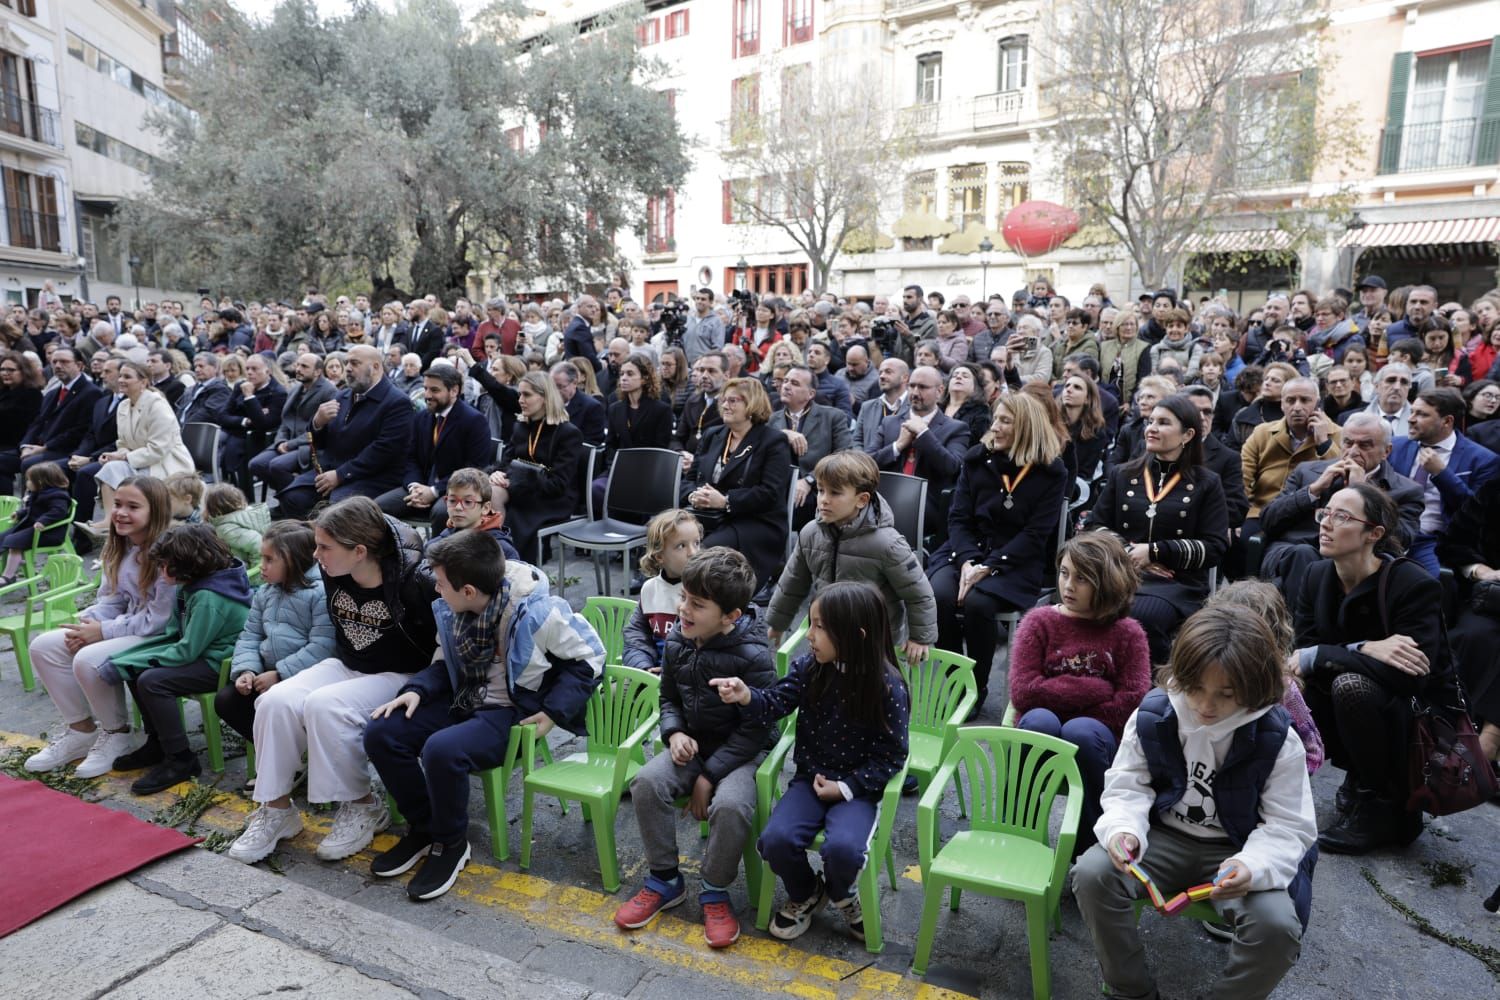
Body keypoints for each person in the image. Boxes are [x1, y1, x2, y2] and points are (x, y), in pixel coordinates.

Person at [1073, 606, 1316, 1000]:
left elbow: (1289, 826)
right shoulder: (1154, 713)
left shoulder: (1278, 738)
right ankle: (1129, 988)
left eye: (1226, 694)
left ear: (1254, 686)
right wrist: (1124, 829)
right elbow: (1127, 784)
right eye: (1196, 687)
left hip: (1237, 850)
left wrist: (1250, 866)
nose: (1206, 705)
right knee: (1091, 872)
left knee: (1278, 927)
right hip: (1163, 838)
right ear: (1181, 674)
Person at [365, 529, 604, 900]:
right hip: (463, 698)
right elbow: (444, 661)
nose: (436, 589)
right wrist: (415, 691)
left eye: (441, 583)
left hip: (508, 712)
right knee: (382, 732)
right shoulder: (452, 607)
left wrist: (554, 712)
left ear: (469, 591)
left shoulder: (537, 612)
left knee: (442, 750)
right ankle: (425, 827)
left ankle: (451, 843)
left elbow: (590, 657)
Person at [229, 498, 437, 863]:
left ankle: (363, 805)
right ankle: (276, 811)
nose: (316, 554)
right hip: (349, 663)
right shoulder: (333, 569)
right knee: (276, 700)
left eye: (324, 546)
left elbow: (442, 644)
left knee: (324, 705)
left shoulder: (414, 581)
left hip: (403, 674)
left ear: (359, 551)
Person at [709, 581, 910, 943]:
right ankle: (806, 892)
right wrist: (745, 695)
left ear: (856, 635)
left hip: (856, 791)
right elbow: (775, 703)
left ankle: (842, 894)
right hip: (810, 779)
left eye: (819, 626)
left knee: (844, 850)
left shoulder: (887, 687)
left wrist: (846, 787)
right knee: (775, 840)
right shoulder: (811, 668)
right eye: (810, 623)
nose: (809, 635)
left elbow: (893, 756)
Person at [614, 547, 774, 946]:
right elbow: (668, 697)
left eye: (697, 604)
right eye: (684, 597)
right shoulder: (676, 640)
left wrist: (708, 775)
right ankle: (665, 879)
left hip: (741, 754)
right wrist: (674, 734)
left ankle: (716, 890)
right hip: (693, 746)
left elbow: (758, 730)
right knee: (647, 782)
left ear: (730, 617)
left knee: (732, 806)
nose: (683, 609)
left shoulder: (754, 655)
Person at [1292, 483, 1460, 854]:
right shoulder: (1316, 575)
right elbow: (1302, 652)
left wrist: (1327, 655)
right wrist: (1363, 647)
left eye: (1342, 516)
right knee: (1294, 685)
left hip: (1416, 716)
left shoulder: (1412, 583)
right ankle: (1357, 780)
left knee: (1352, 685)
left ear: (1374, 534)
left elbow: (1411, 675)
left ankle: (1387, 806)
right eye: (1325, 512)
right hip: (1353, 704)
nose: (1326, 523)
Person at [23, 476, 176, 778]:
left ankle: (117, 733)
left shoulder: (166, 555)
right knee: (44, 645)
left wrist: (103, 631)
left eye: (133, 506)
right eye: (117, 504)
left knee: (89, 659)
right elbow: (112, 600)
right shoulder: (120, 547)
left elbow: (158, 621)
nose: (120, 512)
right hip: (128, 628)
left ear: (155, 511)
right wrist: (87, 622)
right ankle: (81, 731)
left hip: (162, 636)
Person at [1009, 533, 1151, 855]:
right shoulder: (1039, 621)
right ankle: (1019, 835)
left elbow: (1131, 702)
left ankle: (1087, 849)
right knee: (1040, 722)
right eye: (1064, 573)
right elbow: (1023, 692)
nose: (1068, 585)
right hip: (1042, 728)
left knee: (1081, 731)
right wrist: (1095, 688)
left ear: (1106, 583)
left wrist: (1063, 701)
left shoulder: (1128, 633)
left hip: (1097, 741)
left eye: (1082, 578)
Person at [928, 392, 1068, 710]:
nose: (996, 427)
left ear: (1027, 428)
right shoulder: (978, 459)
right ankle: (955, 682)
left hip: (1014, 560)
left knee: (979, 603)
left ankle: (975, 691)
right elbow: (958, 518)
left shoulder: (1051, 471)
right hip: (964, 551)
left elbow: (1035, 534)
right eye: (996, 419)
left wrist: (988, 566)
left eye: (1005, 421)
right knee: (940, 595)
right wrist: (967, 562)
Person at [102, 524, 252, 794]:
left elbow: (187, 651)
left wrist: (140, 661)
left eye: (164, 565)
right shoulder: (191, 586)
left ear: (187, 564)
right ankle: (158, 742)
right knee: (136, 671)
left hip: (220, 663)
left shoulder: (208, 597)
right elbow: (174, 634)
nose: (160, 571)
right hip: (201, 653)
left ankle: (181, 759)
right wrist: (128, 661)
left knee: (152, 681)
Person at [1083, 394, 1229, 663]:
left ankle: (1146, 693)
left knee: (1142, 615)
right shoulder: (1123, 474)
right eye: (1151, 421)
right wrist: (1130, 553)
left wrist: (1155, 552)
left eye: (1163, 423)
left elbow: (1215, 546)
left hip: (1177, 583)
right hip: (1120, 573)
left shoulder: (1207, 483)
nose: (1151, 428)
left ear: (1187, 435)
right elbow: (1094, 525)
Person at [768, 450, 937, 663]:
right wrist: (777, 623)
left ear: (862, 499)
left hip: (874, 641)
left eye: (835, 493)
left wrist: (919, 639)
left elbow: (919, 593)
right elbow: (792, 582)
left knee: (867, 692)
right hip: (826, 634)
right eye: (820, 491)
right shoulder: (811, 533)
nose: (823, 500)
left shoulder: (887, 543)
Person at [1258, 412, 1422, 599]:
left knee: (1333, 570)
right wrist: (1312, 491)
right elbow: (1268, 520)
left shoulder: (1407, 490)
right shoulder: (1307, 472)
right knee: (1303, 555)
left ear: (1386, 451)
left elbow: (1400, 541)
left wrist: (1363, 492)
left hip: (1357, 564)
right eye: (1348, 443)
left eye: (1365, 445)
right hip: (1294, 553)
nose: (1353, 451)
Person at [214, 521, 335, 767]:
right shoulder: (266, 593)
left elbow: (323, 646)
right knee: (227, 701)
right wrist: (248, 670)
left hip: (304, 679)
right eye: (262, 558)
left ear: (293, 561)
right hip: (265, 677)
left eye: (270, 560)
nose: (262, 566)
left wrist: (280, 674)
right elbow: (250, 635)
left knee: (275, 703)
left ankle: (282, 764)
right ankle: (283, 761)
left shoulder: (320, 593)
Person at [275, 345, 415, 522]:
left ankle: (332, 546)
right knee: (293, 497)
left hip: (374, 476)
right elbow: (323, 442)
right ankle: (308, 545)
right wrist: (317, 423)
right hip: (334, 469)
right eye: (347, 363)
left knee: (337, 510)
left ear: (376, 367)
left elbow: (384, 450)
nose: (347, 368)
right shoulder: (343, 396)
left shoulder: (397, 402)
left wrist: (341, 475)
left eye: (355, 363)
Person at [684, 377, 793, 591]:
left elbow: (770, 493)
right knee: (666, 533)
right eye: (724, 400)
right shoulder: (712, 434)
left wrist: (725, 501)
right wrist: (692, 496)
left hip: (754, 522)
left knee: (704, 551)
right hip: (709, 516)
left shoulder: (772, 441)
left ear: (752, 405)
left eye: (733, 401)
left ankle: (704, 605)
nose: (725, 405)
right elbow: (689, 480)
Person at [1389, 387, 1500, 575]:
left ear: (1447, 421)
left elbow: (1477, 515)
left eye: (1422, 414)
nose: (1411, 418)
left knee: (1428, 585)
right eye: (1412, 411)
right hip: (1390, 534)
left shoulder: (1482, 459)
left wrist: (1442, 474)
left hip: (1436, 542)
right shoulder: (1396, 446)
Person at [376, 363, 491, 527]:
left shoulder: (474, 421)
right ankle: (398, 551)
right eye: (426, 388)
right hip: (419, 486)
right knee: (377, 508)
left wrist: (434, 491)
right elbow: (410, 458)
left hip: (457, 490)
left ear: (454, 391)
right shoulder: (422, 417)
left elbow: (475, 468)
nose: (427, 395)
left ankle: (436, 553)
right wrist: (414, 486)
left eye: (435, 390)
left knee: (442, 513)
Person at [489, 371, 584, 562]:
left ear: (544, 397)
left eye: (527, 395)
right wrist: (498, 474)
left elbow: (558, 485)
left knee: (504, 506)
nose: (521, 400)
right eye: (520, 394)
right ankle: (493, 557)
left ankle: (504, 561)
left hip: (553, 498)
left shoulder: (568, 433)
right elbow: (506, 462)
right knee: (486, 495)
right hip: (522, 489)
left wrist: (514, 479)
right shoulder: (521, 426)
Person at [1437, 474, 1500, 764]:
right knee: (1472, 636)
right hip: (1491, 600)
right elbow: (1453, 542)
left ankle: (1490, 738)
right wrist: (1482, 572)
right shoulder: (1494, 488)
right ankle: (1452, 733)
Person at [91, 361, 194, 531]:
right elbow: (122, 443)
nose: (121, 380)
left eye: (127, 377)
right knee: (110, 468)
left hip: (166, 464)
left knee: (116, 471)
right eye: (121, 376)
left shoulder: (157, 405)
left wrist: (123, 456)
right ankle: (110, 521)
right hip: (140, 462)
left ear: (144, 382)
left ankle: (123, 525)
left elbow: (158, 449)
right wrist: (115, 455)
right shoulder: (123, 406)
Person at [870, 365, 970, 538]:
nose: (915, 392)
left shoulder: (956, 428)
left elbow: (953, 467)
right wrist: (898, 445)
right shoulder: (890, 423)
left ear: (939, 391)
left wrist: (924, 434)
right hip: (884, 503)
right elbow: (866, 462)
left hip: (927, 510)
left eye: (923, 387)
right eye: (912, 386)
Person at [1240, 377, 1340, 530]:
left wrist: (1324, 442)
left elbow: (1339, 479)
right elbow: (1243, 477)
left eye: (1305, 400)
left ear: (1317, 403)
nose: (1297, 407)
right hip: (1262, 512)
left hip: (1311, 516)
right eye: (1290, 400)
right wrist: (1241, 515)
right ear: (1282, 404)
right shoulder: (1262, 432)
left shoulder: (1339, 434)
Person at [0, 347, 100, 495]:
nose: (58, 366)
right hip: (41, 448)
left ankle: (35, 510)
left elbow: (80, 430)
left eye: (64, 361)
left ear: (79, 365)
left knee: (30, 463)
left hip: (64, 450)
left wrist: (44, 448)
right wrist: (25, 446)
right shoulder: (53, 393)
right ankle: (7, 511)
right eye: (54, 362)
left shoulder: (90, 393)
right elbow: (37, 423)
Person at [770, 366, 851, 531]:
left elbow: (845, 454)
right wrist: (783, 434)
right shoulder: (772, 420)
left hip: (817, 491)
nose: (786, 386)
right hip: (776, 489)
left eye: (794, 383)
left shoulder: (832, 417)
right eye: (785, 381)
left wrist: (809, 480)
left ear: (811, 394)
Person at [622, 509, 703, 673]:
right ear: (659, 556)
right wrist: (643, 667)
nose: (693, 553)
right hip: (653, 674)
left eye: (697, 543)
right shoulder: (650, 589)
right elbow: (636, 636)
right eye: (681, 546)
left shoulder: (705, 589)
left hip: (691, 678)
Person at [249, 353, 337, 497]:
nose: (298, 369)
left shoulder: (329, 391)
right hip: (288, 441)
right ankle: (285, 497)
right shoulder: (295, 389)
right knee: (256, 464)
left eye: (304, 366)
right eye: (297, 365)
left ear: (318, 371)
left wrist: (291, 444)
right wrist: (281, 441)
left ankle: (296, 501)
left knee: (277, 466)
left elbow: (324, 429)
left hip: (310, 445)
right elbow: (285, 421)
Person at [596, 352, 673, 513]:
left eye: (630, 374)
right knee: (596, 489)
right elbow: (611, 444)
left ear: (644, 379)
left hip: (648, 472)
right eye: (622, 374)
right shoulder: (615, 408)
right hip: (619, 468)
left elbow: (660, 449)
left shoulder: (661, 410)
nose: (623, 378)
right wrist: (615, 466)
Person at [219, 354, 287, 494]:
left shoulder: (277, 392)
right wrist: (245, 421)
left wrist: (250, 397)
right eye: (247, 368)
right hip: (237, 434)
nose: (249, 372)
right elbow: (222, 416)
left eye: (255, 369)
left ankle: (243, 496)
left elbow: (264, 424)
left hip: (259, 439)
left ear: (267, 371)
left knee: (236, 448)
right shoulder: (240, 386)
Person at [0, 461, 71, 586]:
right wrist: (20, 513)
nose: (27, 483)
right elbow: (32, 509)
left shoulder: (58, 496)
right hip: (32, 527)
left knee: (14, 541)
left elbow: (58, 512)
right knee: (3, 536)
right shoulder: (38, 493)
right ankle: (15, 560)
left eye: (29, 480)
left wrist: (43, 521)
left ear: (41, 482)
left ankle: (8, 576)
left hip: (48, 532)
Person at [203, 482, 269, 573]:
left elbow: (258, 544)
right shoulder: (243, 518)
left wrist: (253, 576)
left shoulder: (227, 529)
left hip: (247, 573)